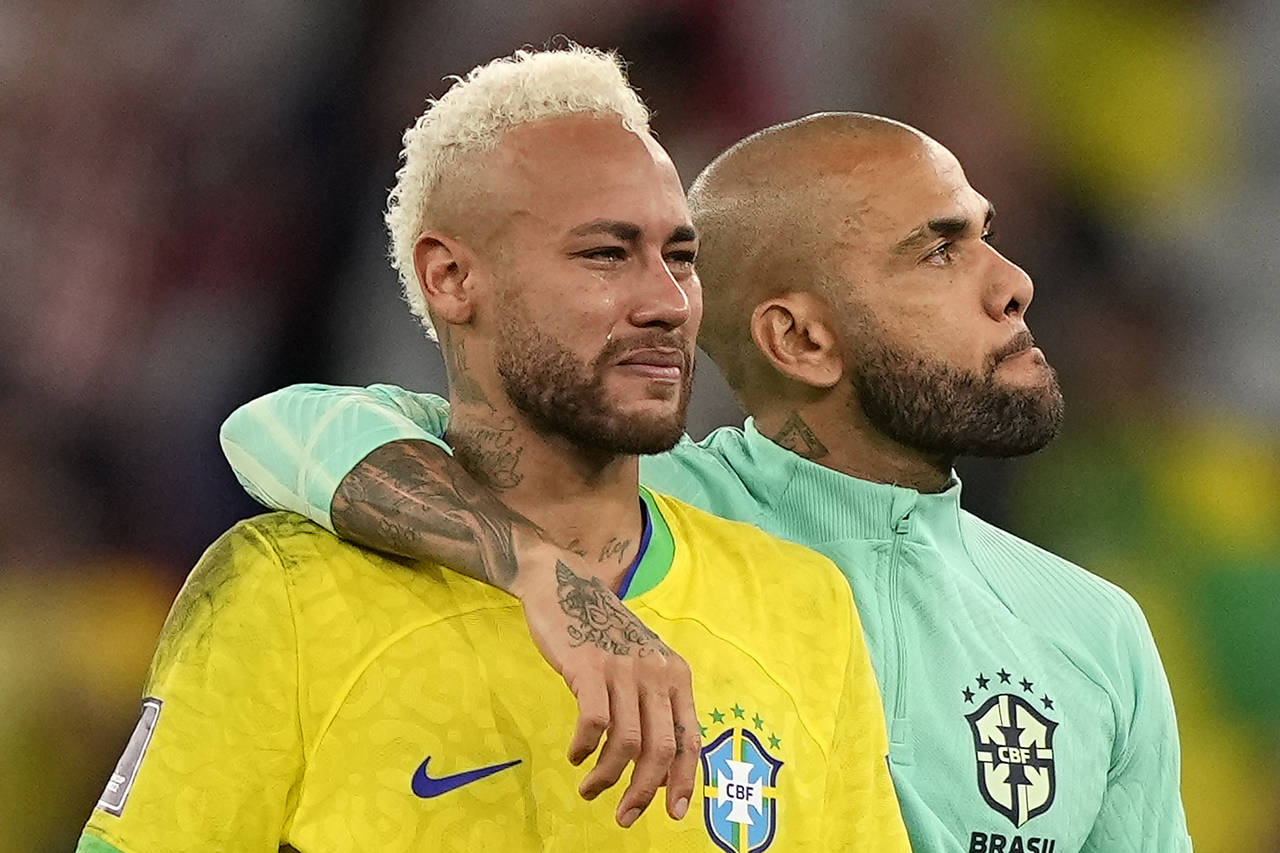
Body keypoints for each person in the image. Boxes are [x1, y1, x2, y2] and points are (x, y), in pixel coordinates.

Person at [220, 111, 1193, 852]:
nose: (1011, 280)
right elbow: (281, 426)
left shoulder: (1091, 633)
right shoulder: (644, 523)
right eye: (940, 249)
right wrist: (547, 575)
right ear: (799, 339)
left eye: (985, 234)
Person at [78, 47, 909, 853]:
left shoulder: (804, 606)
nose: (666, 300)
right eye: (605, 253)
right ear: (449, 278)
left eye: (681, 257)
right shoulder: (286, 595)